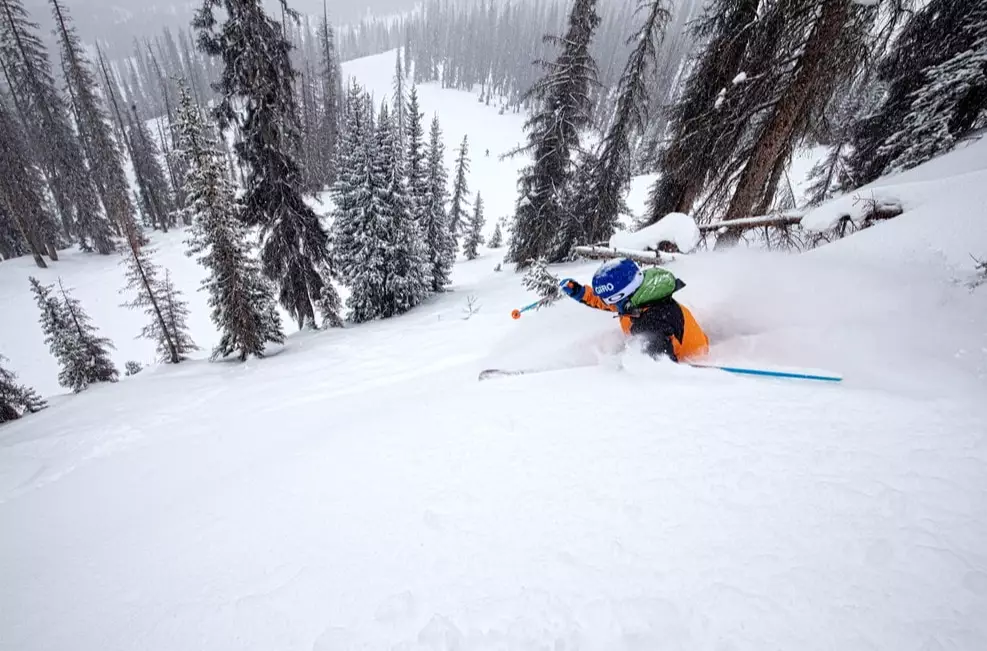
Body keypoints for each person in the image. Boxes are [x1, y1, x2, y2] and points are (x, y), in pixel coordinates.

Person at [559, 258, 709, 362]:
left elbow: (658, 367)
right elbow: (604, 302)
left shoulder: (652, 323)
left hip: (692, 358)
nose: (607, 303)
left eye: (609, 299)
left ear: (623, 295)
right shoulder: (634, 300)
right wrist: (579, 292)